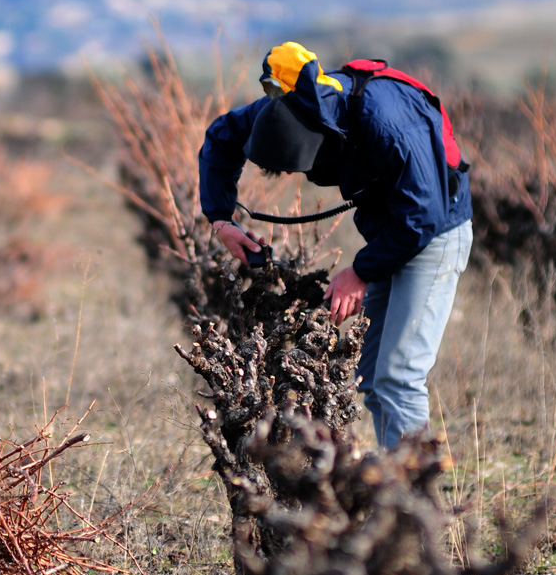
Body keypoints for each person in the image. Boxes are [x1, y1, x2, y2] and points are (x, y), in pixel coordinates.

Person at [197, 41, 473, 449]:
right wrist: (222, 219)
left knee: (399, 376)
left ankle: (416, 500)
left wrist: (360, 272)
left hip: (434, 234)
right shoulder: (290, 106)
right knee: (373, 373)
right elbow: (222, 137)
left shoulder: (386, 119)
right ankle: (395, 483)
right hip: (390, 235)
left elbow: (422, 216)